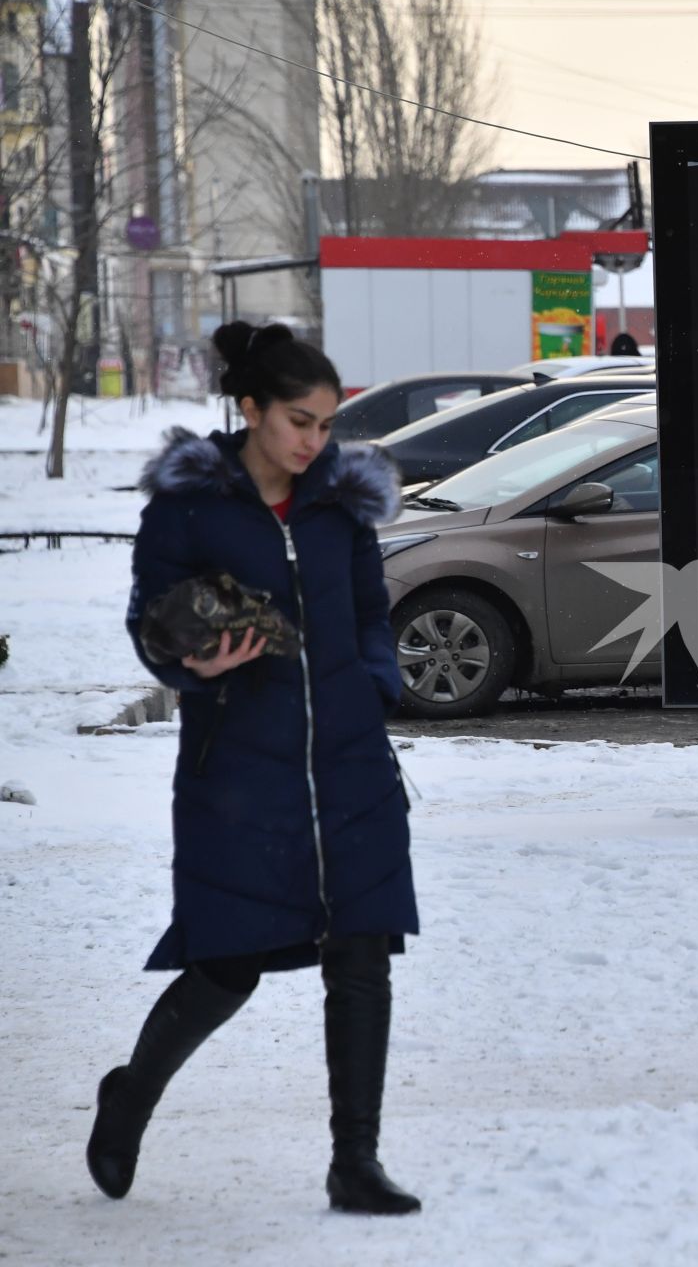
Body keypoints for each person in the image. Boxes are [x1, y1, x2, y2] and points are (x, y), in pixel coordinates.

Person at [90, 320, 421, 1215]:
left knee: (361, 955)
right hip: (236, 769)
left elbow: (367, 613)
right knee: (225, 963)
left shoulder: (340, 502)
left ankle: (355, 1161)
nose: (317, 442)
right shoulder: (189, 507)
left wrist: (373, 688)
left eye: (327, 423)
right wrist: (190, 666)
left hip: (348, 761)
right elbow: (147, 625)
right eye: (300, 422)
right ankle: (130, 1098)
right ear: (250, 411)